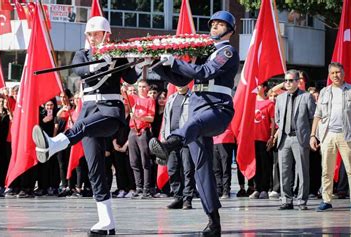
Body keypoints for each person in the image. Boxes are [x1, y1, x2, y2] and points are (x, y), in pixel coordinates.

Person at [32, 16, 137, 235]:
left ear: (106, 35)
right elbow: (82, 72)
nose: (92, 37)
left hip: (110, 111)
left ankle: (54, 144)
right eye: (90, 34)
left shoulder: (118, 53)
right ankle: (106, 221)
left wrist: (129, 57)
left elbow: (132, 78)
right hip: (88, 111)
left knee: (82, 129)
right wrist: (103, 59)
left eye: (97, 34)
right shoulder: (82, 54)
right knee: (95, 169)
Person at [149, 10, 239, 236]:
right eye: (213, 24)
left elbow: (206, 72)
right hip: (198, 110)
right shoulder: (205, 52)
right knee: (202, 168)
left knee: (196, 124)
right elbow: (183, 79)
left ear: (230, 30)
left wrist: (177, 61)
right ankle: (213, 222)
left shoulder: (226, 51)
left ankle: (170, 145)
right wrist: (161, 65)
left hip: (218, 110)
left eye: (220, 24)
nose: (214, 27)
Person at [311, 62, 351, 212]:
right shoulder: (324, 92)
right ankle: (326, 200)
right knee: (326, 169)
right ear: (329, 75)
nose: (336, 75)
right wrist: (313, 135)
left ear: (343, 73)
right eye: (333, 73)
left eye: (338, 72)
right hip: (327, 135)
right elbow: (317, 115)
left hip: (346, 135)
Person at [274, 70, 315, 210]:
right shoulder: (280, 98)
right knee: (284, 170)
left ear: (298, 82)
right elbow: (278, 118)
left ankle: (302, 201)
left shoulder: (307, 97)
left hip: (300, 138)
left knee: (302, 170)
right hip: (284, 138)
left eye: (291, 80)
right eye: (286, 80)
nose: (288, 83)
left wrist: (311, 136)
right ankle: (286, 200)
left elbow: (312, 118)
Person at [161, 85, 195, 209]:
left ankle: (187, 199)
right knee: (172, 169)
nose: (180, 85)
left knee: (188, 170)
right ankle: (178, 197)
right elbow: (165, 118)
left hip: (186, 139)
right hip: (171, 139)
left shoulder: (193, 98)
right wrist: (164, 135)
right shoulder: (171, 98)